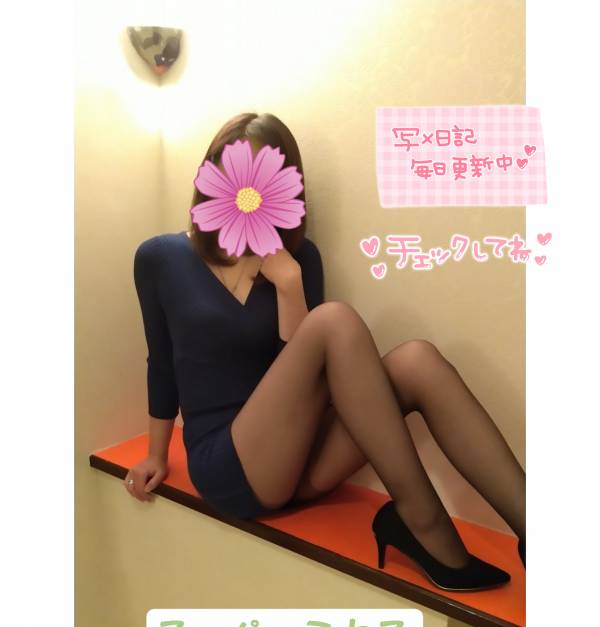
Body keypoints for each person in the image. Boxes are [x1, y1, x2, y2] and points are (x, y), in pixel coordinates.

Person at [125, 112, 526, 592]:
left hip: (302, 460)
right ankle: (425, 523)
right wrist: (155, 455)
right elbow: (161, 363)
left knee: (417, 361)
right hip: (230, 466)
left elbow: (305, 379)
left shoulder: (300, 259)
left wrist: (289, 284)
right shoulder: (161, 258)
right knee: (333, 320)